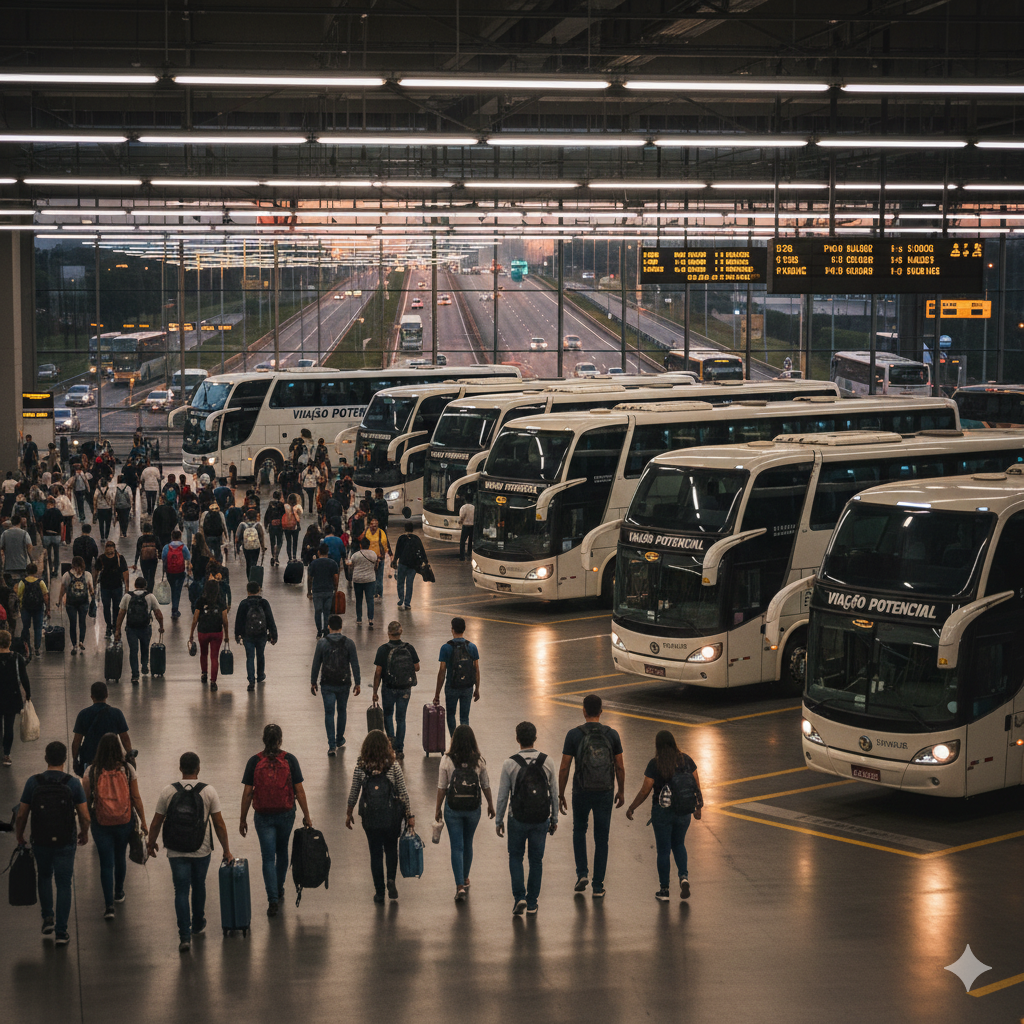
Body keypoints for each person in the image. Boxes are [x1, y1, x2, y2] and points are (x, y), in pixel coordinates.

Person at [147, 750, 233, 952]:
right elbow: (219, 824)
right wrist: (226, 850)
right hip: (200, 850)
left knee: (181, 890)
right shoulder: (208, 791)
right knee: (199, 884)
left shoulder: (168, 791)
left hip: (176, 850)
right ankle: (197, 924)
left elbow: (157, 821)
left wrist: (151, 843)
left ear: (180, 769)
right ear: (198, 768)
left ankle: (184, 937)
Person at [14, 740, 90, 946]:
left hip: (41, 840)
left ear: (46, 758)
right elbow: (85, 815)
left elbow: (21, 815)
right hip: (65, 840)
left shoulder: (33, 782)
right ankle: (61, 932)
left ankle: (48, 916)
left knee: (45, 876)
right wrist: (84, 832)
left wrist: (19, 835)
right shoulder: (72, 783)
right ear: (64, 760)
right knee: (64, 883)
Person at [239, 723, 313, 917]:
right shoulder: (289, 759)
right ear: (280, 740)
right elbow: (299, 791)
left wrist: (242, 819)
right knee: (282, 852)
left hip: (263, 816)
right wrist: (306, 815)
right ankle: (279, 889)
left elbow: (247, 793)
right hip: (286, 814)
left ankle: (272, 900)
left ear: (264, 739)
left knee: (267, 857)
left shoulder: (254, 761)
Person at [558, 694, 625, 899]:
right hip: (605, 791)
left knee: (579, 830)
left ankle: (582, 874)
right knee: (601, 838)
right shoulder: (612, 735)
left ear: (584, 711)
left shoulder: (573, 735)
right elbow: (620, 766)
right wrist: (621, 790)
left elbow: (564, 767)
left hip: (581, 790)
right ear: (601, 711)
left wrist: (560, 794)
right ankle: (598, 886)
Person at [625, 730, 702, 902]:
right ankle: (683, 877)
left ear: (657, 745)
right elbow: (696, 784)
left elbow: (645, 790)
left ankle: (664, 890)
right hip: (683, 810)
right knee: (679, 844)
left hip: (662, 812)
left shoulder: (655, 764)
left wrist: (632, 807)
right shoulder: (687, 760)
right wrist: (698, 807)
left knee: (663, 851)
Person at [81, 733, 148, 920]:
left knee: (105, 863)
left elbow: (86, 802)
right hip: (124, 820)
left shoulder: (91, 771)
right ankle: (119, 892)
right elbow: (135, 797)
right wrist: (143, 821)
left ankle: (109, 906)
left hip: (101, 822)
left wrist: (84, 827)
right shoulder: (127, 769)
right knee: (120, 857)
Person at [495, 721, 559, 916]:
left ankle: (519, 897)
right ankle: (532, 903)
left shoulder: (509, 763)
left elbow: (503, 795)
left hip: (517, 819)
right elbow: (554, 793)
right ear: (535, 738)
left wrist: (499, 820)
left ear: (517, 739)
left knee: (515, 857)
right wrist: (554, 818)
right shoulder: (547, 762)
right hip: (541, 819)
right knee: (536, 860)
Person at [345, 730, 414, 904]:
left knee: (375, 853)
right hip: (391, 817)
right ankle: (391, 879)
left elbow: (354, 791)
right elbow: (403, 792)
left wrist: (349, 812)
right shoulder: (393, 766)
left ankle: (379, 892)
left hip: (370, 818)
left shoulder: (361, 767)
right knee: (391, 849)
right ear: (386, 746)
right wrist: (409, 815)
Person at [433, 725, 494, 902]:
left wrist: (437, 809)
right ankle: (465, 878)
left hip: (453, 808)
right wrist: (490, 804)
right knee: (468, 844)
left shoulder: (447, 760)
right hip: (473, 808)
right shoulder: (479, 760)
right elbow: (485, 784)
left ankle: (459, 885)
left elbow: (442, 787)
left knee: (456, 846)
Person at [310, 614, 360, 755]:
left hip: (328, 683)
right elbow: (355, 664)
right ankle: (339, 739)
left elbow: (316, 664)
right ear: (341, 626)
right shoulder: (349, 643)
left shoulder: (322, 643)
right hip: (344, 683)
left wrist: (313, 681)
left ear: (328, 626)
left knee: (329, 713)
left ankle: (331, 745)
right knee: (342, 711)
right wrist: (358, 682)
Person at [372, 620, 419, 760]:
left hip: (388, 688)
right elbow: (417, 667)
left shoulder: (383, 649)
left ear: (388, 633)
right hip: (405, 688)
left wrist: (375, 691)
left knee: (388, 715)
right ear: (401, 632)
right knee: (401, 718)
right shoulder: (409, 648)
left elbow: (378, 672)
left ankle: (391, 744)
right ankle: (400, 749)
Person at [71, 682, 133, 775]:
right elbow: (125, 738)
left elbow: (77, 741)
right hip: (112, 758)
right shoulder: (116, 713)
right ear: (107, 695)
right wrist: (130, 755)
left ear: (92, 696)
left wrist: (75, 759)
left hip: (90, 758)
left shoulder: (83, 714)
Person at [433, 617, 481, 737]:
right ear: (464, 629)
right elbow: (476, 669)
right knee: (464, 717)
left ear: (452, 629)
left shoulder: (446, 648)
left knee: (450, 715)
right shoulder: (472, 647)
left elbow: (442, 671)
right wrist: (477, 688)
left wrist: (437, 693)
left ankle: (454, 741)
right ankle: (464, 742)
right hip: (468, 687)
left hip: (451, 687)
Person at [114, 576, 165, 685]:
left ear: (135, 586)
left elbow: (121, 614)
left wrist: (117, 630)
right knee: (145, 648)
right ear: (145, 586)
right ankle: (145, 665)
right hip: (145, 627)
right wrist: (161, 626)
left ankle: (135, 675)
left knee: (133, 650)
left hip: (131, 628)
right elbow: (158, 614)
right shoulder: (150, 596)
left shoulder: (127, 596)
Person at [234, 581, 278, 692]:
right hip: (262, 634)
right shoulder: (264, 603)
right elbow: (270, 619)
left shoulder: (243, 604)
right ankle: (260, 675)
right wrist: (273, 635)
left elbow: (239, 621)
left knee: (250, 657)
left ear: (247, 590)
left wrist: (237, 635)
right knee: (260, 655)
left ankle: (251, 681)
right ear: (259, 590)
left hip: (247, 635)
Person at [189, 579, 229, 691]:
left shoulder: (201, 601)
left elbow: (195, 618)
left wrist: (191, 633)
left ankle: (204, 673)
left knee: (203, 653)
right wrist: (226, 635)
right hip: (217, 631)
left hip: (203, 631)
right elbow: (225, 620)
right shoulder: (221, 601)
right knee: (214, 656)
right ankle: (213, 681)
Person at [0, 628, 29, 767]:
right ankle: (6, 754)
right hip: (12, 696)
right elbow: (24, 678)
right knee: (9, 726)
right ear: (9, 642)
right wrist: (28, 695)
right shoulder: (17, 658)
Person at [56, 556, 95, 654]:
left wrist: (59, 600)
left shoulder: (67, 575)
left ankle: (74, 645)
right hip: (84, 602)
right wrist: (93, 599)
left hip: (71, 603)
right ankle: (81, 641)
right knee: (82, 622)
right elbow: (91, 588)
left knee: (72, 624)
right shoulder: (87, 574)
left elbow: (63, 589)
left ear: (72, 565)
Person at [93, 540, 129, 636]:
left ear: (114, 548)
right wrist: (94, 584)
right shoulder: (101, 559)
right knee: (106, 607)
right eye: (108, 546)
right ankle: (109, 626)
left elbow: (125, 572)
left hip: (117, 587)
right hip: (105, 587)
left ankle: (115, 626)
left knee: (117, 607)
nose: (109, 548)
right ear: (105, 548)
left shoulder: (120, 558)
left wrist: (127, 587)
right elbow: (96, 572)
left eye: (111, 546)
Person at [307, 542, 339, 639]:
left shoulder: (313, 563)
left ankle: (318, 631)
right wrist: (335, 589)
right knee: (326, 612)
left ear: (318, 552)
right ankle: (326, 630)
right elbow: (336, 577)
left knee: (318, 611)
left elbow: (309, 578)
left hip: (317, 591)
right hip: (328, 590)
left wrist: (309, 591)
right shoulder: (333, 563)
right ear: (327, 552)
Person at [391, 522, 426, 610]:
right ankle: (407, 603)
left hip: (402, 563)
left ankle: (401, 599)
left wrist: (395, 560)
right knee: (409, 584)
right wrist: (425, 562)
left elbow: (397, 551)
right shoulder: (417, 539)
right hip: (413, 566)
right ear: (413, 529)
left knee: (400, 582)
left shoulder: (401, 538)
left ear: (405, 529)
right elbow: (422, 551)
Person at [17, 563, 49, 656]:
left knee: (26, 627)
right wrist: (47, 608)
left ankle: (26, 646)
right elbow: (45, 595)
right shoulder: (40, 582)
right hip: (38, 608)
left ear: (27, 571)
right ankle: (37, 648)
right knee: (38, 628)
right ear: (36, 571)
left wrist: (20, 606)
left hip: (26, 608)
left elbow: (19, 595)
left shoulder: (22, 582)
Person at [347, 536, 377, 628]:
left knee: (359, 600)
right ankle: (370, 619)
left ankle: (359, 618)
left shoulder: (355, 555)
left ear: (360, 545)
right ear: (369, 545)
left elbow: (351, 566)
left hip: (358, 580)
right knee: (370, 600)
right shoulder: (373, 554)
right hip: (370, 579)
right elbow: (376, 565)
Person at [161, 529, 191, 619]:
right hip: (180, 571)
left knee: (172, 589)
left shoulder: (167, 547)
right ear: (180, 537)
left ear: (172, 537)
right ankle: (175, 609)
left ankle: (173, 607)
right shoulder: (183, 547)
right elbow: (188, 557)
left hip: (170, 571)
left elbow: (163, 557)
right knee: (177, 591)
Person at [363, 516, 390, 600]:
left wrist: (386, 553)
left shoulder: (381, 533)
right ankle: (373, 592)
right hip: (369, 559)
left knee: (379, 576)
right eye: (372, 524)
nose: (373, 526)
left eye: (375, 525)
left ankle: (379, 593)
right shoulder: (366, 532)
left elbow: (385, 544)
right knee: (371, 576)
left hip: (379, 558)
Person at [0, 515, 33, 580]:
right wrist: (30, 557)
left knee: (11, 586)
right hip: (22, 564)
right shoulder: (24, 533)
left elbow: (1, 546)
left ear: (11, 522)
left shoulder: (4, 534)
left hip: (9, 565)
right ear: (20, 522)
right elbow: (29, 546)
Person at [235, 508, 266, 577]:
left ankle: (249, 579)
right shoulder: (258, 525)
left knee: (248, 563)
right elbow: (261, 537)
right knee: (254, 562)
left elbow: (237, 537)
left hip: (246, 546)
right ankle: (254, 578)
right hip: (256, 547)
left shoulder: (242, 525)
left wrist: (237, 547)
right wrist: (263, 547)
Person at [133, 517, 161, 594]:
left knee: (145, 576)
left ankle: (146, 590)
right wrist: (160, 557)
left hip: (144, 560)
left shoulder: (141, 539)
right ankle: (150, 592)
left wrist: (135, 563)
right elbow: (160, 548)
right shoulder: (155, 538)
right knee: (152, 576)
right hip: (153, 559)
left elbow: (137, 551)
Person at [40, 496, 64, 580]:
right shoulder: (58, 512)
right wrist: (61, 535)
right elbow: (61, 524)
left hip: (47, 535)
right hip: (56, 535)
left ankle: (49, 570)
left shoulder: (45, 512)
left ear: (49, 504)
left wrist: (42, 535)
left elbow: (42, 525)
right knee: (56, 554)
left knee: (49, 554)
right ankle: (56, 570)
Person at [263, 490, 286, 567]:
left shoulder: (270, 505)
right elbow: (284, 516)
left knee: (272, 542)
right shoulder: (281, 505)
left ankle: (273, 556)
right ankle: (277, 556)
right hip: (279, 526)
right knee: (279, 541)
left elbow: (267, 516)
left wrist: (266, 525)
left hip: (272, 526)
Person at [93, 474, 115, 542]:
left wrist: (95, 509)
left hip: (100, 509)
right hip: (108, 509)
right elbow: (112, 500)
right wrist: (113, 509)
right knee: (108, 523)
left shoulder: (97, 490)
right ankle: (106, 535)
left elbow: (94, 499)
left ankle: (102, 537)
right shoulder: (109, 490)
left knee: (101, 523)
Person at [282, 493, 302, 561]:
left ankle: (289, 557)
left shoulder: (285, 506)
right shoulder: (297, 507)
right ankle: (294, 556)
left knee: (288, 542)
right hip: (295, 527)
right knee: (295, 542)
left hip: (286, 526)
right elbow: (299, 516)